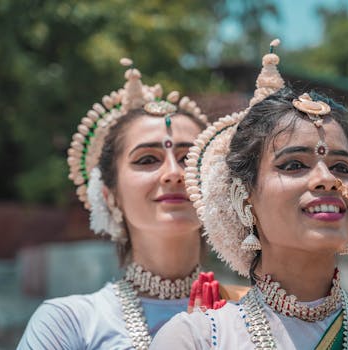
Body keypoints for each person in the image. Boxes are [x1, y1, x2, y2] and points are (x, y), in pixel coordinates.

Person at [150, 41, 348, 349]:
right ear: (243, 197)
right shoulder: (199, 338)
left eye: (342, 167)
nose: (327, 180)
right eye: (294, 164)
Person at [18, 58, 245, 350]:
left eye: (188, 159)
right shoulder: (70, 323)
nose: (174, 173)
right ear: (109, 195)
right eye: (147, 159)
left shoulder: (252, 316)